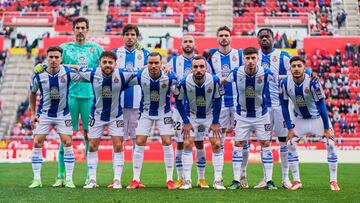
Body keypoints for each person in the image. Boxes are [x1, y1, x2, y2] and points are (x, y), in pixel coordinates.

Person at [46, 17, 103, 187]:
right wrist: (75, 67)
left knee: (89, 137)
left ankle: (89, 176)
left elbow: (108, 66)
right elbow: (53, 65)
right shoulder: (64, 48)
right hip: (69, 98)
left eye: (82, 27)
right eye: (77, 27)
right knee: (66, 137)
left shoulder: (96, 49)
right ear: (73, 30)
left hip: (89, 98)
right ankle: (61, 175)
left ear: (87, 30)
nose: (80, 30)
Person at [279, 56, 340, 191]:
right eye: (293, 66)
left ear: (304, 68)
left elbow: (322, 105)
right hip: (299, 119)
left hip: (317, 118)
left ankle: (333, 181)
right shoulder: (284, 83)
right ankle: (296, 181)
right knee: (290, 144)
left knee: (330, 144)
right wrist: (289, 128)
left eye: (299, 66)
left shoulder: (313, 82)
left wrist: (326, 128)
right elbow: (283, 106)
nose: (296, 69)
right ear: (290, 68)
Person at [221, 47, 277, 190]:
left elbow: (282, 78)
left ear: (258, 58)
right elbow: (222, 81)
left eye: (253, 58)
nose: (250, 61)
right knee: (238, 144)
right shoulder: (236, 72)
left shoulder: (265, 72)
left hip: (261, 115)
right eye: (248, 58)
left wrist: (307, 72)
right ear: (243, 59)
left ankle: (269, 180)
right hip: (242, 115)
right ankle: (236, 180)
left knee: (265, 143)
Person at [79, 51, 133, 189]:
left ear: (115, 64)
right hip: (97, 116)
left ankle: (117, 180)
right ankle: (92, 180)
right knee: (92, 146)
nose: (107, 65)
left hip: (115, 117)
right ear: (100, 63)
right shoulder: (92, 73)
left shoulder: (122, 74)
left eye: (110, 62)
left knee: (118, 146)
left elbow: (142, 71)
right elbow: (73, 69)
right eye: (105, 62)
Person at [28, 46, 80, 188]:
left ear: (61, 59)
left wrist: (66, 65)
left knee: (67, 142)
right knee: (37, 142)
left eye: (57, 57)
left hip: (63, 114)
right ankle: (37, 179)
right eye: (51, 57)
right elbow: (32, 93)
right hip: (43, 114)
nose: (53, 60)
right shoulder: (39, 75)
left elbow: (83, 70)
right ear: (47, 57)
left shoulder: (67, 72)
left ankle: (68, 179)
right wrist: (33, 113)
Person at [127, 52, 177, 190]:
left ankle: (170, 179)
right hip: (145, 113)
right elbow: (124, 82)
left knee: (167, 142)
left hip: (164, 113)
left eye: (156, 63)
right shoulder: (140, 75)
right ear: (147, 64)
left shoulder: (170, 77)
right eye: (151, 63)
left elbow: (180, 91)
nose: (153, 66)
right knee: (139, 142)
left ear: (162, 64)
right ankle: (136, 179)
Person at [208, 26, 249, 188]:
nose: (224, 38)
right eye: (221, 35)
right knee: (219, 140)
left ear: (231, 38)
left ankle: (242, 176)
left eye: (226, 35)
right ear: (217, 38)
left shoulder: (239, 54)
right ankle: (218, 178)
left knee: (243, 140)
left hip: (240, 103)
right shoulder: (212, 56)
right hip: (221, 103)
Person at [174, 56, 224, 190]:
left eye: (201, 67)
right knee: (187, 143)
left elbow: (218, 101)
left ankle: (218, 180)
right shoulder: (184, 82)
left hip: (209, 116)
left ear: (206, 68)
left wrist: (215, 122)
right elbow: (178, 101)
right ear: (191, 69)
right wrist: (185, 121)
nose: (198, 70)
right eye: (195, 67)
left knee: (217, 143)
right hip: (191, 116)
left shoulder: (214, 80)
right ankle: (187, 180)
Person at [166, 35, 209, 188]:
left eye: (191, 41)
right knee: (179, 143)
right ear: (181, 44)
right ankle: (181, 178)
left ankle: (201, 178)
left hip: (198, 109)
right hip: (179, 109)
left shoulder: (201, 62)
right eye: (185, 41)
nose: (188, 44)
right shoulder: (174, 61)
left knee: (199, 142)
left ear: (194, 44)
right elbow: (168, 78)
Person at [254, 28, 292, 189]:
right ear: (258, 40)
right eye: (261, 37)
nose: (264, 39)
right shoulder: (254, 57)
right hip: (262, 108)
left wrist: (278, 77)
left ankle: (285, 178)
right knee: (265, 142)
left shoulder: (283, 56)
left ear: (272, 39)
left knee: (284, 141)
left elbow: (296, 73)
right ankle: (266, 178)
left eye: (267, 36)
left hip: (280, 106)